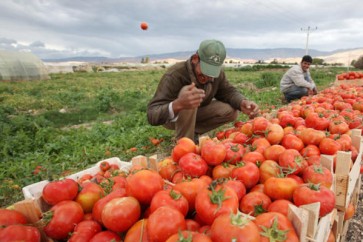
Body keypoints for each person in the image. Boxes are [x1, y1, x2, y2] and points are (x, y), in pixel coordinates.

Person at [147, 39, 259, 142]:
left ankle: (193, 132)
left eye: (212, 73)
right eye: (205, 71)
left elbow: (227, 91)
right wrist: (178, 104)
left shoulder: (216, 74)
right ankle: (185, 143)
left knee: (230, 110)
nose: (209, 78)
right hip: (173, 118)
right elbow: (152, 115)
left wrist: (242, 102)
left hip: (198, 112)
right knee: (190, 93)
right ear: (195, 59)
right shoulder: (175, 75)